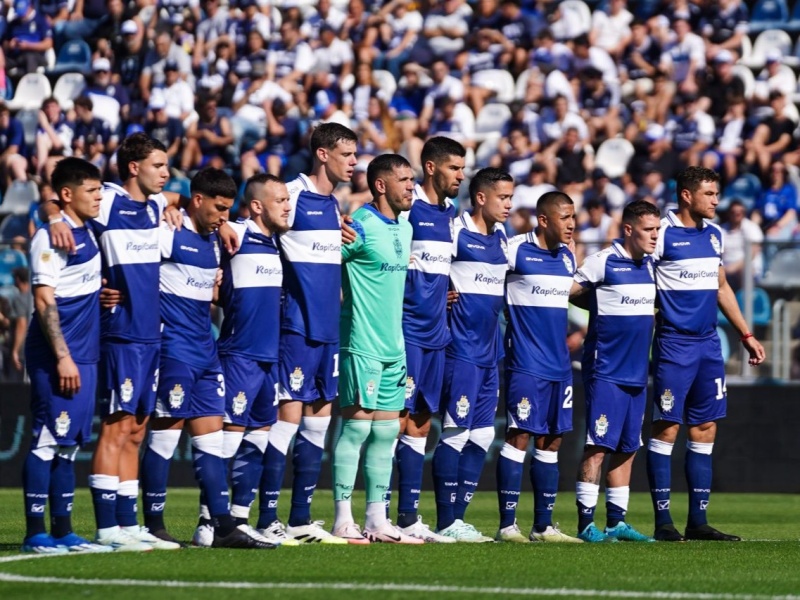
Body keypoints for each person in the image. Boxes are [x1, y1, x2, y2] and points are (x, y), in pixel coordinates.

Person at [43, 133, 180, 551]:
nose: (166, 173)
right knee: (116, 429)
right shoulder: (109, 201)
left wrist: (183, 209)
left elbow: (183, 197)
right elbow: (56, 199)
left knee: (136, 432)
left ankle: (127, 522)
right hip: (120, 335)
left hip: (150, 335)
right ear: (134, 168)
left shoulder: (155, 205)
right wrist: (53, 217)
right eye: (158, 165)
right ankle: (106, 528)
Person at [139, 167, 274, 549]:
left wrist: (222, 224)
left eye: (229, 210)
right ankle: (153, 525)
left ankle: (222, 526)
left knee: (212, 443)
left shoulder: (216, 239)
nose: (224, 216)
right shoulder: (168, 232)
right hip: (174, 352)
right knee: (165, 439)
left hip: (206, 353)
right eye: (218, 208)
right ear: (197, 200)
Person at [646, 166, 765, 542]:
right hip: (673, 344)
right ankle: (663, 521)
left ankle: (698, 521)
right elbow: (639, 281)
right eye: (709, 194)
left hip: (709, 345)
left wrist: (745, 333)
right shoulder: (660, 234)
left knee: (705, 426)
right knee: (667, 427)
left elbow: (722, 286)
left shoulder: (714, 234)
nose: (716, 201)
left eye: (717, 193)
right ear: (686, 195)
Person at [257, 122, 357, 545]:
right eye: (346, 154)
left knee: (318, 426)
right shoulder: (291, 194)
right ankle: (266, 518)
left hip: (328, 331)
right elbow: (255, 222)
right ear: (322, 154)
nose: (354, 162)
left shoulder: (333, 204)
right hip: (296, 328)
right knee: (286, 423)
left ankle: (300, 519)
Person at [21, 158, 110, 554]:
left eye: (100, 190)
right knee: (46, 439)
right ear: (68, 194)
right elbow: (44, 301)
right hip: (58, 354)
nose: (99, 197)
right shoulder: (50, 237)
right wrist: (62, 357)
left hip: (86, 353)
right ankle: (35, 533)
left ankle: (64, 531)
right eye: (92, 191)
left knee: (69, 444)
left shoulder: (88, 230)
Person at [330, 153, 420, 544]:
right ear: (381, 185)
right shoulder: (359, 227)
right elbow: (322, 265)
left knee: (385, 435)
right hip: (362, 344)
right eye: (404, 180)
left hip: (394, 349)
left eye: (412, 180)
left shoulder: (405, 227)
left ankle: (376, 520)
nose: (411, 187)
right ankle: (341, 520)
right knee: (356, 430)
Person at [569, 199, 660, 543]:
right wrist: (596, 304)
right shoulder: (602, 262)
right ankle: (585, 524)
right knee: (598, 445)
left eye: (657, 229)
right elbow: (568, 292)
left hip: (637, 372)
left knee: (628, 446)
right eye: (648, 230)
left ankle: (616, 522)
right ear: (629, 230)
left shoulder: (651, 266)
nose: (655, 236)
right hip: (605, 369)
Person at [213, 174, 297, 547]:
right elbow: (196, 216)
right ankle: (209, 522)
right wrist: (220, 224)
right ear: (258, 206)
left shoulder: (276, 242)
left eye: (288, 199)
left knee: (258, 439)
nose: (288, 206)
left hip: (269, 358)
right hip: (239, 355)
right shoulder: (236, 232)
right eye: (280, 200)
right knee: (227, 442)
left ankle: (238, 519)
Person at [496, 191, 582, 544]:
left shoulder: (568, 257)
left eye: (573, 217)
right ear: (543, 220)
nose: (572, 224)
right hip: (525, 363)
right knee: (519, 435)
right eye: (565, 217)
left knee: (552, 440)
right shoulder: (514, 249)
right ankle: (507, 526)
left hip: (560, 366)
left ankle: (543, 526)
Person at [431, 167, 512, 542]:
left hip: (490, 353)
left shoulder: (502, 237)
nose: (509, 205)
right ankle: (446, 521)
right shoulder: (455, 230)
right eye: (503, 198)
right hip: (460, 350)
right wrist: (439, 294)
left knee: (481, 436)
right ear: (481, 198)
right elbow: (425, 267)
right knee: (455, 432)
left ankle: (459, 520)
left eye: (511, 198)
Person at [393, 136, 465, 543]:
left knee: (421, 423)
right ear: (432, 168)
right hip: (406, 330)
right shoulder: (408, 208)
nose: (461, 176)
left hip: (438, 332)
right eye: (455, 168)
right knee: (394, 421)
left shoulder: (450, 213)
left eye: (463, 169)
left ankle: (408, 517)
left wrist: (444, 288)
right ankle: (377, 514)